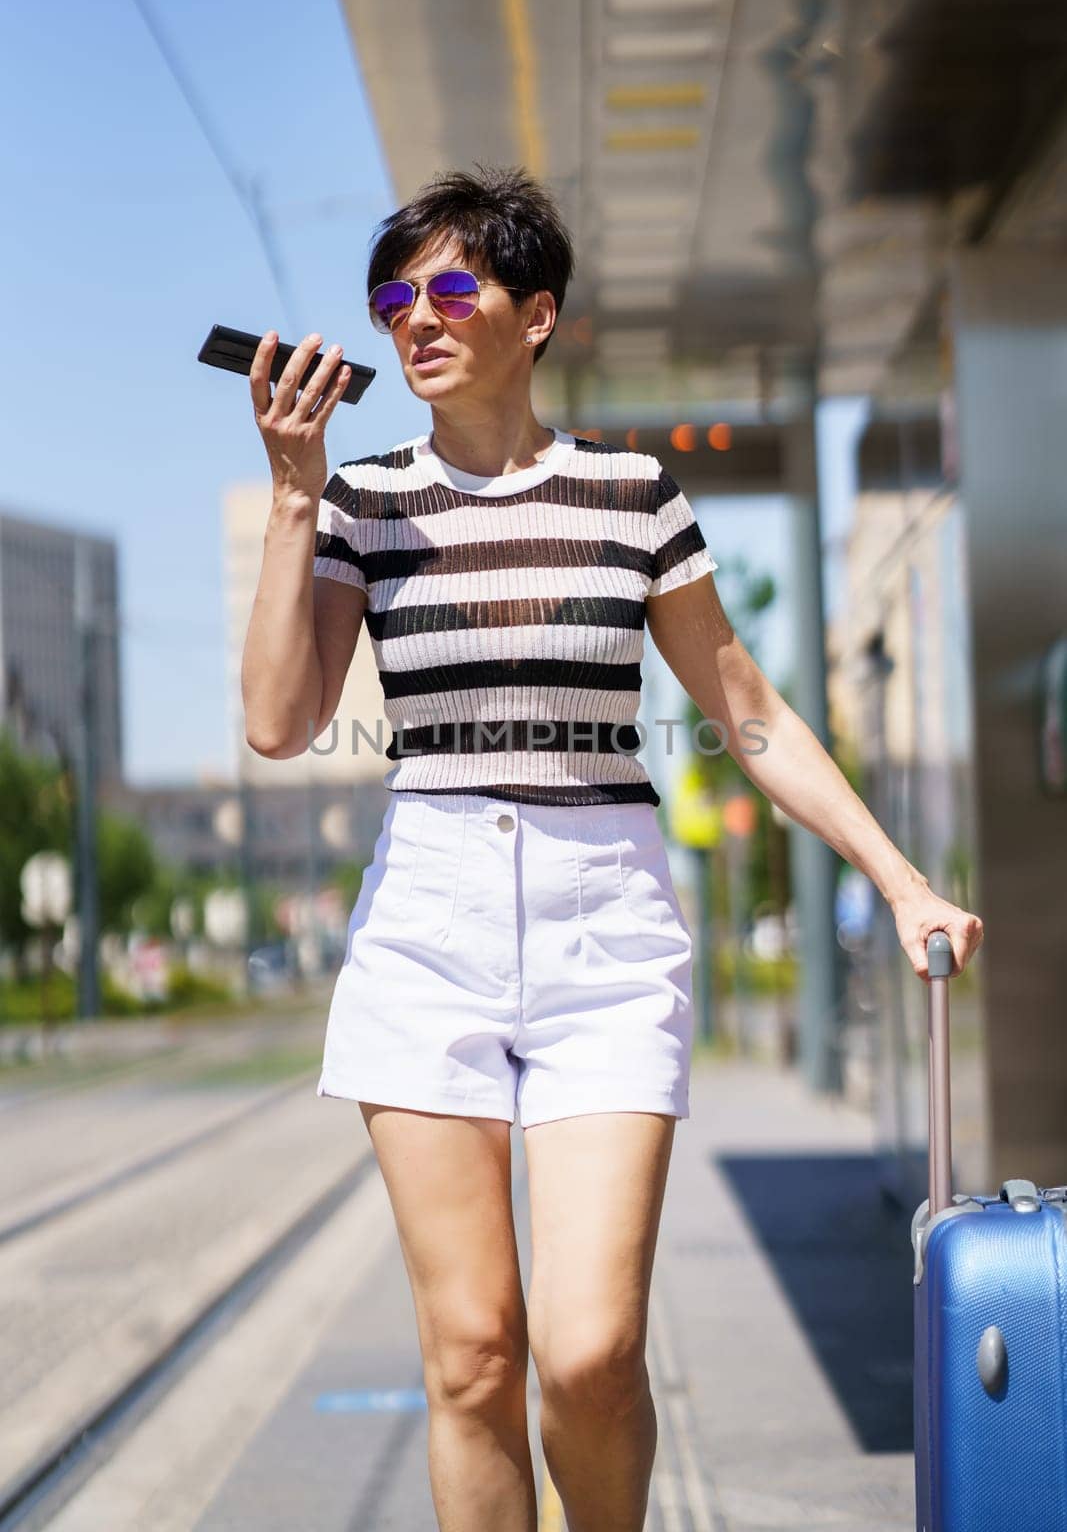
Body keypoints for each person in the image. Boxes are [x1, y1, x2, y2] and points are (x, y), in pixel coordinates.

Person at [240, 163, 982, 1532]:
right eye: (392, 297)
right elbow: (280, 723)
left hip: (604, 925)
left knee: (588, 1358)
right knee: (470, 1360)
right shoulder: (363, 504)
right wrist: (294, 501)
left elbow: (748, 715)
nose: (415, 317)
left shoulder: (634, 494)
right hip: (431, 920)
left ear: (539, 316)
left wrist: (901, 876)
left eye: (451, 288)